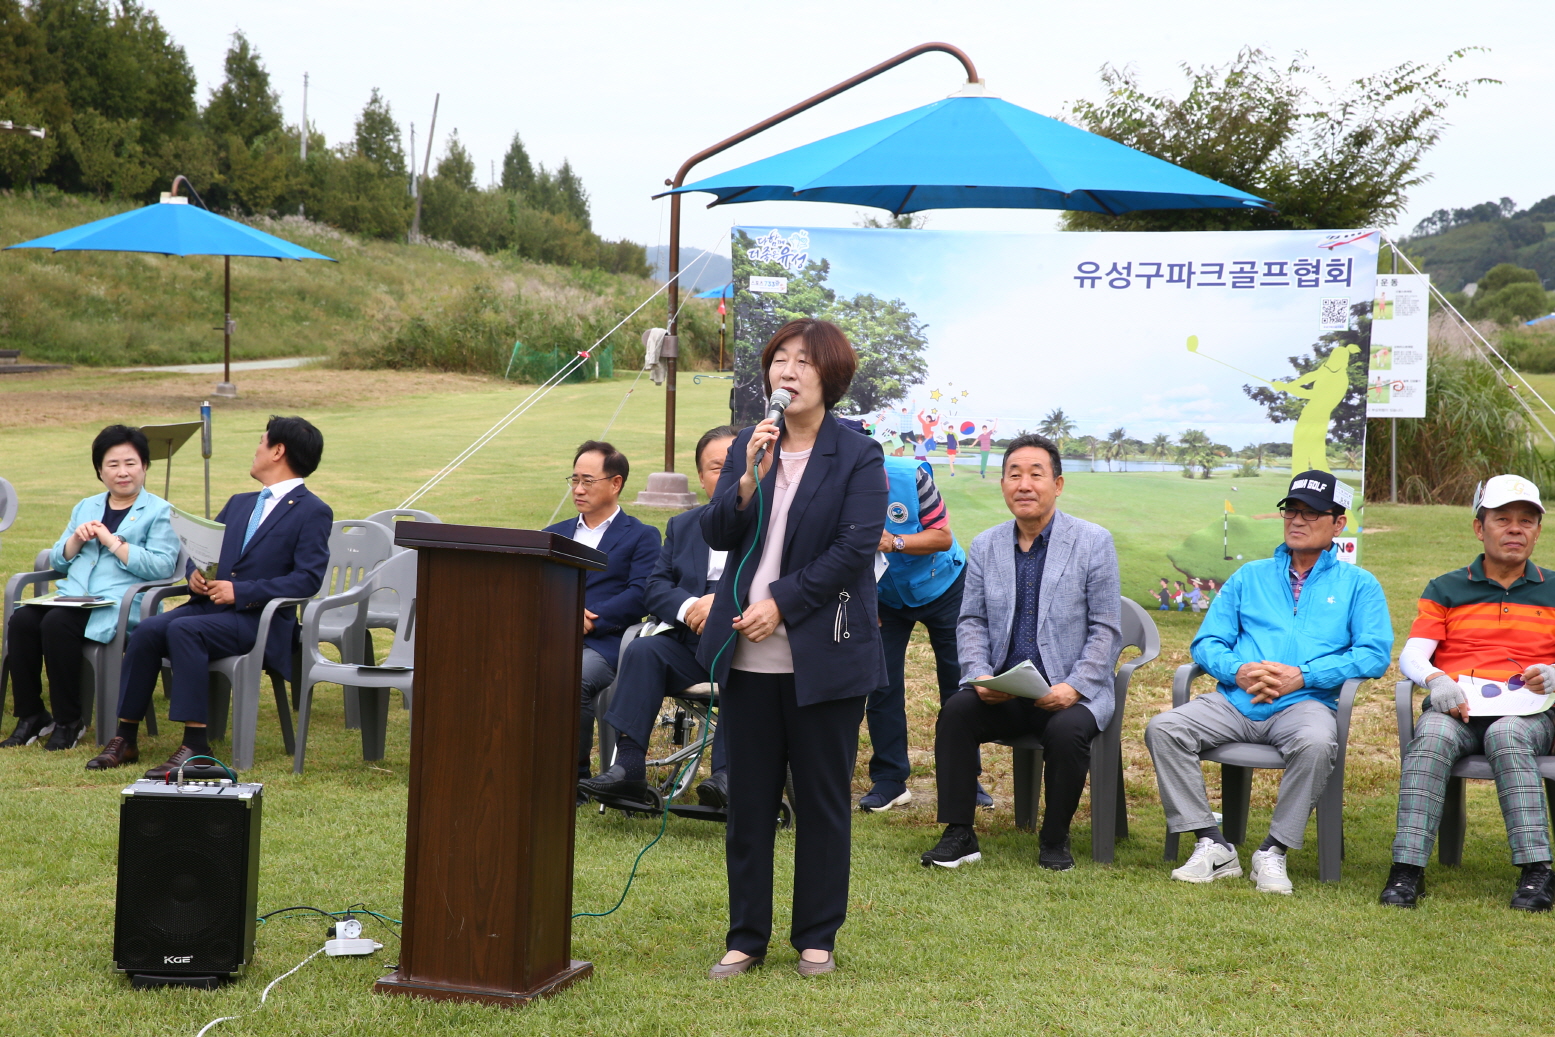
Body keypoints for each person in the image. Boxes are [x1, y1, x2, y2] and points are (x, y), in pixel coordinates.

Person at [698, 317, 886, 979]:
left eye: (805, 361)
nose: (789, 370)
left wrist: (780, 601)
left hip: (825, 655)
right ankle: (745, 935)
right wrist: (747, 479)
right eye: (780, 358)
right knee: (748, 802)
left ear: (831, 376)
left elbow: (852, 550)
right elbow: (717, 531)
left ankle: (815, 936)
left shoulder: (858, 455)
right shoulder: (751, 444)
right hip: (747, 658)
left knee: (822, 801)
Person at [1145, 470, 1392, 894]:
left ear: (1338, 524)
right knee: (1164, 729)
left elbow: (1373, 654)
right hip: (1236, 700)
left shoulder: (1359, 585)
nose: (1297, 520)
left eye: (1311, 513)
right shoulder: (1249, 576)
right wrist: (1238, 671)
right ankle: (1212, 843)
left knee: (1317, 743)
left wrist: (1305, 676)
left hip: (1306, 703)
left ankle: (1272, 850)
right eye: (1291, 511)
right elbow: (1207, 643)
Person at [86, 416, 333, 777]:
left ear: (278, 451)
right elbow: (203, 550)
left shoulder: (313, 511)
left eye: (261, 441)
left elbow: (307, 580)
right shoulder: (239, 503)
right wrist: (196, 575)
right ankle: (125, 737)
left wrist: (242, 592)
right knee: (149, 629)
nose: (256, 449)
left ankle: (196, 745)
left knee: (184, 630)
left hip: (257, 621)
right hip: (208, 609)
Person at [920, 433, 1121, 872]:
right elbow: (971, 621)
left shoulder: (1093, 541)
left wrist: (1075, 686)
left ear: (1058, 484)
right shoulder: (986, 545)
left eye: (1036, 474)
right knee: (957, 712)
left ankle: (1055, 838)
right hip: (1007, 692)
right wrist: (979, 675)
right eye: (1014, 475)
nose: (1024, 485)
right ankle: (959, 833)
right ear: (1003, 485)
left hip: (1069, 693)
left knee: (1066, 731)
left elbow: (1106, 628)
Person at [1380, 475, 1555, 911]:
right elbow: (1413, 655)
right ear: (1480, 528)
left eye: (1526, 521)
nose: (1515, 529)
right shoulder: (1446, 587)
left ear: (1537, 531)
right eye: (1502, 519)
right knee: (1431, 735)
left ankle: (1537, 871)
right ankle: (1407, 870)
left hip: (1530, 715)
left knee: (1506, 734)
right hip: (1456, 709)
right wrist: (1436, 680)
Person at [582, 426, 738, 808]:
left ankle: (727, 775)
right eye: (716, 467)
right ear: (701, 477)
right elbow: (655, 587)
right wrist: (690, 608)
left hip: (746, 644)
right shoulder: (683, 526)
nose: (727, 475)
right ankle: (629, 768)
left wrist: (720, 605)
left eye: (735, 465)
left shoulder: (773, 526)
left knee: (746, 668)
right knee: (643, 650)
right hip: (690, 643)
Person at [2, 425, 179, 752]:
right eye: (113, 464)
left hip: (121, 604)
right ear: (99, 470)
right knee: (23, 621)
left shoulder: (160, 512)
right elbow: (59, 559)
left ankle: (70, 720)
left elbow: (162, 567)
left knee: (56, 624)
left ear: (144, 466)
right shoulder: (86, 506)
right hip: (74, 598)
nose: (122, 472)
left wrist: (113, 542)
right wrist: (76, 539)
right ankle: (32, 715)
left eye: (131, 463)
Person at [543, 440, 662, 785]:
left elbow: (641, 594)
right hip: (550, 635)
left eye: (588, 481)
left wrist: (587, 618)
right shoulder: (553, 535)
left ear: (616, 483)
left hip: (607, 643)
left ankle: (573, 778)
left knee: (572, 676)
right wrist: (563, 616)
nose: (578, 489)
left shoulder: (641, 536)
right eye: (574, 479)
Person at [859, 455, 966, 813]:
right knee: (882, 685)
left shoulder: (912, 476)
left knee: (957, 687)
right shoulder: (829, 483)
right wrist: (864, 600)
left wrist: (895, 542)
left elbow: (941, 536)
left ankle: (964, 779)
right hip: (884, 596)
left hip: (943, 586)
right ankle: (889, 780)